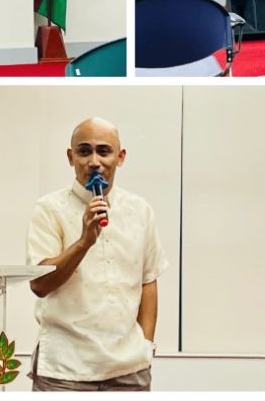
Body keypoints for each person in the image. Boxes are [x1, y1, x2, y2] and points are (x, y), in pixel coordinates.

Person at [26, 118, 168, 391]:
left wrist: (146, 346)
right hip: (64, 370)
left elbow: (149, 279)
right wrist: (84, 242)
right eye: (84, 151)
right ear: (71, 157)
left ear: (120, 157)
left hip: (130, 369)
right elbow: (39, 285)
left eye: (104, 151)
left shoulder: (140, 210)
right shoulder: (49, 208)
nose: (94, 161)